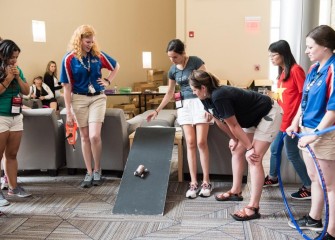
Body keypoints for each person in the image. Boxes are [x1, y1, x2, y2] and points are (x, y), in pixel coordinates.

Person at [189, 69, 282, 221]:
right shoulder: (205, 98)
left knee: (254, 158)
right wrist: (235, 140)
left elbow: (233, 124)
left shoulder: (219, 96)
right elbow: (219, 120)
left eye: (194, 90)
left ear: (203, 88)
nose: (193, 93)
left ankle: (253, 207)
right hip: (251, 118)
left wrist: (250, 148)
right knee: (237, 151)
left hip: (268, 113)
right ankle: (236, 191)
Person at [146, 39, 212, 199]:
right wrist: (157, 110)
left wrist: (210, 106)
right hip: (183, 106)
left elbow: (207, 84)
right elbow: (170, 93)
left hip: (199, 102)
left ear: (183, 53)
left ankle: (206, 181)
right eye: (170, 57)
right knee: (189, 143)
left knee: (201, 142)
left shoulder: (196, 61)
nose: (172, 60)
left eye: (174, 57)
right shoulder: (172, 70)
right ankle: (194, 182)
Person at [286, 25, 335, 240]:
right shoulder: (315, 69)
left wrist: (314, 134)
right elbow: (303, 102)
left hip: (323, 133)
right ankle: (315, 218)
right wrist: (295, 122)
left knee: (330, 185)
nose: (306, 51)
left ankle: (332, 231)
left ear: (325, 47)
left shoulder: (333, 70)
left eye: (310, 47)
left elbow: (333, 109)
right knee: (315, 178)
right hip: (307, 132)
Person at [60, 25, 120, 188]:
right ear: (79, 40)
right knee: (85, 137)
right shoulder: (69, 59)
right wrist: (69, 111)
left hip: (98, 98)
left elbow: (116, 66)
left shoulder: (98, 55)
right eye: (87, 41)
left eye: (92, 41)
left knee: (94, 136)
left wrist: (108, 80)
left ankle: (97, 169)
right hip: (78, 99)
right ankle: (88, 171)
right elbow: (66, 86)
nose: (90, 44)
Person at [263, 40, 312, 200]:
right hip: (282, 121)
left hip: (292, 123)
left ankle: (309, 186)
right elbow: (285, 97)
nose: (271, 58)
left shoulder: (296, 70)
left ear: (283, 54)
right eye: (270, 55)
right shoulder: (282, 72)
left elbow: (305, 96)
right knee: (275, 149)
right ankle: (273, 177)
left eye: (274, 55)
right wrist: (271, 95)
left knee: (292, 154)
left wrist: (297, 122)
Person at [0, 39, 32, 209]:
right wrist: (7, 78)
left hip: (15, 116)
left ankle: (14, 187)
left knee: (12, 154)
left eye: (17, 57)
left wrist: (18, 77)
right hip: (0, 116)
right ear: (3, 54)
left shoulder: (17, 69)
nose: (14, 61)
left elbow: (26, 91)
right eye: (12, 57)